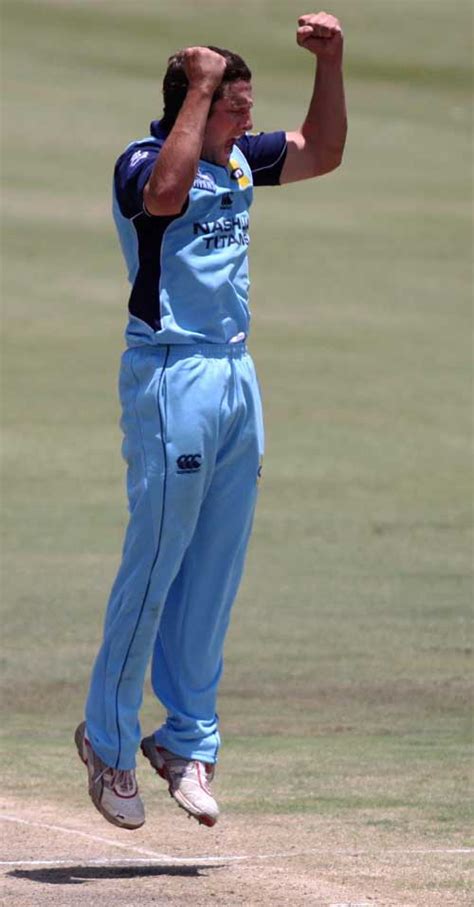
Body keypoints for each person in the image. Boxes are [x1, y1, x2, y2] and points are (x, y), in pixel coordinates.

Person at [75, 11, 347, 830]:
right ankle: (109, 741)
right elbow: (163, 193)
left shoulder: (235, 160)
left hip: (235, 374)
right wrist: (199, 88)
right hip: (170, 374)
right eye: (234, 105)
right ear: (193, 100)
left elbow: (323, 150)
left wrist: (332, 64)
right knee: (157, 560)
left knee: (216, 569)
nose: (249, 121)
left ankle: (187, 740)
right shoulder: (143, 162)